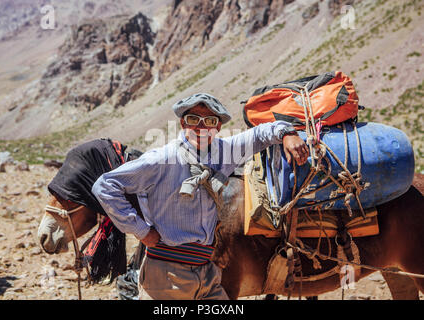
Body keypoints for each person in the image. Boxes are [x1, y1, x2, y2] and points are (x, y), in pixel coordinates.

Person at [92, 93, 309, 299]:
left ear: (218, 127)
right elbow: (105, 185)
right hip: (167, 276)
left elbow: (261, 134)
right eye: (193, 119)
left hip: (207, 273)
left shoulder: (223, 152)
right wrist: (141, 231)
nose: (201, 126)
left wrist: (287, 134)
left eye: (209, 121)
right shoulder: (163, 159)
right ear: (183, 123)